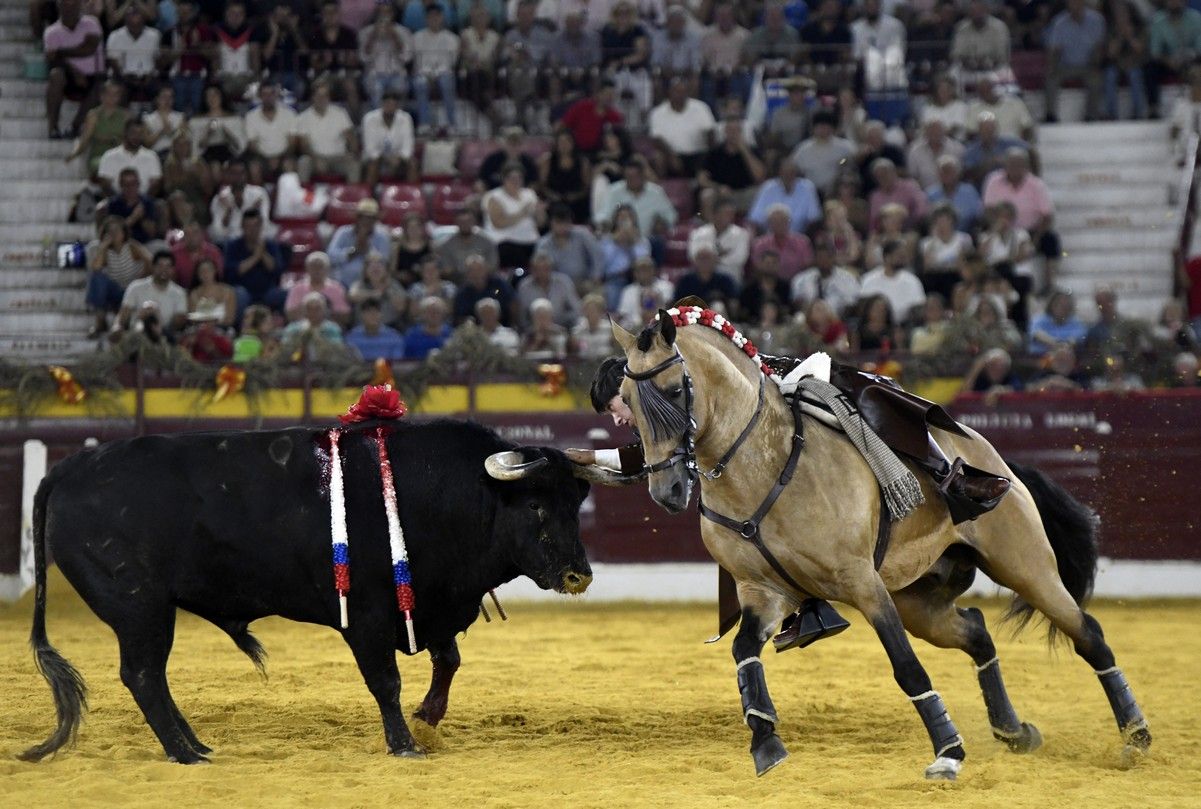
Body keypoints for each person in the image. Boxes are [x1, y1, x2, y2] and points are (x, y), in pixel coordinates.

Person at [982, 148, 1059, 293]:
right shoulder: (993, 181)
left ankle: (1050, 285)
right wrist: (997, 228)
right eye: (1011, 163)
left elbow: (1047, 215)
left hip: (1030, 231)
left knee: (1051, 240)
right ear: (1005, 164)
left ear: (1027, 166)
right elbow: (988, 209)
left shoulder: (1037, 185)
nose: (1015, 168)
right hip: (1000, 228)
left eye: (1019, 164)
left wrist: (1034, 240)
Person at [44, 0, 104, 139]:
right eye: (66, 4)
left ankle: (75, 126)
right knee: (55, 75)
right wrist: (74, 71)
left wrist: (59, 52)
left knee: (102, 87)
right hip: (69, 77)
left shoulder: (91, 23)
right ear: (59, 6)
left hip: (94, 76)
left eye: (74, 4)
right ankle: (52, 127)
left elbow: (89, 48)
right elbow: (51, 60)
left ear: (80, 5)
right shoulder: (51, 31)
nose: (70, 7)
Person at [86, 215, 151, 336]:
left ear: (123, 232)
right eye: (110, 231)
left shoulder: (132, 246)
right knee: (97, 277)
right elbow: (95, 268)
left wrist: (140, 279)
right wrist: (103, 246)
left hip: (132, 291)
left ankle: (124, 320)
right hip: (116, 291)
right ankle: (100, 321)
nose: (114, 234)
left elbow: (150, 260)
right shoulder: (105, 251)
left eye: (117, 230)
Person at [1044, 0, 1106, 123]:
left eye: (1077, 2)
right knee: (1050, 79)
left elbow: (1100, 46)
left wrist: (1097, 64)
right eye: (1072, 3)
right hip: (1065, 66)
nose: (1075, 6)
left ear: (1083, 3)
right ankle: (1050, 115)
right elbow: (1054, 49)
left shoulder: (1096, 20)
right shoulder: (1059, 22)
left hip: (1088, 65)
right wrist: (1051, 66)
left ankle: (1091, 116)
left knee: (1096, 80)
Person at [698, 118, 766, 218]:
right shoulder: (714, 152)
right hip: (721, 192)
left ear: (741, 132)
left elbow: (760, 177)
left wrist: (744, 150)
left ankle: (752, 229)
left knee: (759, 193)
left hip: (745, 192)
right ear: (725, 132)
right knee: (706, 195)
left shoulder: (753, 150)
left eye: (736, 130)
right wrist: (717, 187)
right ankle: (712, 229)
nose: (733, 134)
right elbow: (702, 179)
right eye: (730, 130)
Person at [596, 159, 677, 242]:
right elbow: (602, 215)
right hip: (619, 241)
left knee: (658, 241)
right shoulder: (614, 191)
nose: (632, 180)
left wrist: (662, 222)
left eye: (635, 176)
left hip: (648, 240)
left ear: (643, 176)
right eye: (629, 177)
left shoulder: (656, 193)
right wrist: (605, 224)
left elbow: (672, 216)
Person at [648, 79, 716, 178]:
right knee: (658, 157)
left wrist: (711, 155)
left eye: (683, 92)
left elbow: (710, 132)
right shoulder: (657, 112)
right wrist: (671, 155)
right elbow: (656, 139)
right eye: (677, 91)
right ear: (669, 92)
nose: (680, 95)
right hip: (671, 155)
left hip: (698, 154)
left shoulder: (701, 107)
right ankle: (661, 188)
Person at [1146, 0, 1201, 119]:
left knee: (1198, 69)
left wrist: (1189, 58)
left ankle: (1197, 110)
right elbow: (1155, 52)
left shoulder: (1196, 18)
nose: (1175, 3)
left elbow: (1199, 47)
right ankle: (1153, 108)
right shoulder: (1158, 20)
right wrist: (1169, 61)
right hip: (1168, 63)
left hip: (1191, 61)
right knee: (1150, 68)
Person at [223, 209, 286, 312]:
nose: (252, 230)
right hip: (243, 289)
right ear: (242, 227)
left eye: (256, 226)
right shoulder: (233, 245)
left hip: (267, 289)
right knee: (239, 294)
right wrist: (255, 257)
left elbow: (276, 270)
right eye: (248, 226)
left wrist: (263, 252)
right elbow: (232, 272)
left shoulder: (270, 245)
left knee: (282, 294)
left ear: (261, 226)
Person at [115, 249, 188, 338]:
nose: (164, 270)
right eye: (160, 266)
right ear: (153, 267)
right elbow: (123, 314)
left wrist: (158, 319)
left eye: (168, 266)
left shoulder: (179, 293)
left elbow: (178, 323)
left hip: (164, 336)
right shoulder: (136, 287)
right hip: (137, 334)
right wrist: (117, 327)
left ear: (173, 269)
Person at [296, 81, 359, 184]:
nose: (322, 99)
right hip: (315, 157)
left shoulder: (340, 113)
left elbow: (351, 137)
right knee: (303, 162)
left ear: (329, 98)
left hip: (338, 157)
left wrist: (352, 153)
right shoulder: (303, 117)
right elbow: (304, 146)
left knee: (353, 163)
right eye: (319, 96)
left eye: (325, 96)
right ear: (313, 97)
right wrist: (316, 159)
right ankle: (304, 197)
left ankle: (351, 197)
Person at [482, 164, 543, 269]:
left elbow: (541, 223)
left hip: (530, 241)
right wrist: (522, 213)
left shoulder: (529, 194)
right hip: (506, 243)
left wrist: (539, 213)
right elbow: (498, 223)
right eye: (512, 178)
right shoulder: (494, 197)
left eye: (519, 178)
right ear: (504, 179)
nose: (516, 181)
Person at [411, 3, 459, 131]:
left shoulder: (451, 38)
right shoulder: (417, 37)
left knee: (446, 82)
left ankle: (451, 123)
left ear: (442, 17)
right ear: (426, 18)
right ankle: (424, 124)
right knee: (420, 83)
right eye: (430, 17)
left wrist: (436, 74)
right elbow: (418, 61)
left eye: (437, 16)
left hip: (444, 72)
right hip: (423, 72)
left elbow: (450, 62)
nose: (434, 20)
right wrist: (428, 74)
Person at [536, 202, 605, 289]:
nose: (562, 227)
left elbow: (597, 255)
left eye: (565, 222)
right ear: (551, 223)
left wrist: (596, 276)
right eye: (558, 223)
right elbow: (541, 268)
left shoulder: (583, 234)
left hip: (585, 281)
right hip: (557, 286)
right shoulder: (543, 244)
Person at [358, 0, 412, 110]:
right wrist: (372, 37)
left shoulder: (403, 32)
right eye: (381, 13)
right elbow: (363, 58)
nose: (384, 16)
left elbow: (407, 58)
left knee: (400, 87)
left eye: (387, 13)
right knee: (377, 88)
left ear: (392, 14)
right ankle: (379, 121)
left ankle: (397, 121)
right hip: (374, 74)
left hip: (397, 73)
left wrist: (395, 37)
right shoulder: (366, 32)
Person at [65, 80, 128, 174]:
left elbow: (128, 139)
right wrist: (74, 154)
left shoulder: (126, 116)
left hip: (121, 155)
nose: (112, 98)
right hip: (99, 155)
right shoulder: (93, 115)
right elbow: (85, 139)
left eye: (116, 94)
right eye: (108, 94)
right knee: (103, 165)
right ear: (102, 96)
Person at [789, 109, 855, 197]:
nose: (823, 130)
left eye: (827, 126)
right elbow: (793, 167)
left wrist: (842, 162)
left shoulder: (844, 146)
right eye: (820, 126)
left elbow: (851, 159)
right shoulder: (803, 149)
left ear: (833, 128)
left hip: (836, 193)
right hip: (811, 193)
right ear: (813, 128)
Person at [747, 159, 822, 236]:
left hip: (799, 237)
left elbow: (814, 218)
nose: (788, 175)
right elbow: (755, 218)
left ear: (796, 173)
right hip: (770, 237)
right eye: (785, 172)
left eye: (792, 172)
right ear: (779, 173)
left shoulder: (807, 187)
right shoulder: (768, 187)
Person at [328, 198, 392, 286]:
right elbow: (330, 255)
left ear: (375, 220)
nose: (366, 221)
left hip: (370, 284)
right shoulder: (343, 232)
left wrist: (368, 250)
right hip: (341, 282)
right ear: (357, 218)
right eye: (363, 217)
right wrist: (352, 252)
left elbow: (384, 261)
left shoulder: (382, 237)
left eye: (371, 218)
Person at [860, 239, 926, 324]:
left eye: (903, 256)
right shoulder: (869, 279)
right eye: (899, 255)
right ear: (887, 257)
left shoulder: (912, 280)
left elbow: (919, 306)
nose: (903, 259)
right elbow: (863, 306)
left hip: (904, 325)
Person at [790, 239, 860, 318]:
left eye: (827, 257)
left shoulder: (848, 279)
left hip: (838, 319)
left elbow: (852, 305)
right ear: (815, 258)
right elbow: (797, 303)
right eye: (820, 257)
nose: (824, 260)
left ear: (833, 257)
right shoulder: (801, 279)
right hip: (808, 319)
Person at [1103, 0, 1148, 121]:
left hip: (1134, 64)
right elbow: (1111, 53)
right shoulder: (1111, 29)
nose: (1121, 16)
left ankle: (1138, 113)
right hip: (1116, 64)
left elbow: (1140, 49)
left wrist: (1129, 36)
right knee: (1109, 75)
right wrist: (1119, 36)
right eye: (1118, 13)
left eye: (1123, 13)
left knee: (1135, 75)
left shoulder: (1139, 27)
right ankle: (1111, 114)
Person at [208, 159, 271, 244]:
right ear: (227, 175)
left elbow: (264, 225)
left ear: (246, 174)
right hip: (229, 245)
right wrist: (229, 210)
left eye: (242, 173)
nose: (238, 177)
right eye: (234, 173)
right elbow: (218, 233)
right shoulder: (220, 199)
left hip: (255, 242)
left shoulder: (259, 194)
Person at [688, 198, 751, 283]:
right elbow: (693, 256)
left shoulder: (741, 234)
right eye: (726, 214)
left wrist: (710, 257)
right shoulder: (698, 233)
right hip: (702, 279)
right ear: (714, 214)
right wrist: (722, 255)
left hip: (731, 279)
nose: (730, 217)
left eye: (731, 214)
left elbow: (739, 258)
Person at [189, 84, 246, 177]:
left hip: (228, 151)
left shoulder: (235, 119)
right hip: (208, 153)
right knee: (214, 167)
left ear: (221, 97)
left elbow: (240, 146)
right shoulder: (196, 121)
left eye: (215, 95)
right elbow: (196, 147)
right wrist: (207, 133)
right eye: (209, 96)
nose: (212, 99)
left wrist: (227, 134)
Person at [361, 89, 415, 187]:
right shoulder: (370, 119)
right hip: (377, 160)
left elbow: (408, 147)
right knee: (373, 164)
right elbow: (370, 149)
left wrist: (399, 158)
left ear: (397, 106)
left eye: (392, 105)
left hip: (398, 159)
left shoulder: (405, 118)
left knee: (412, 164)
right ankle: (370, 198)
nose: (389, 108)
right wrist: (386, 159)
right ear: (382, 104)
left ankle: (411, 196)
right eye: (387, 104)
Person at [106, 7, 160, 103]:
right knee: (119, 89)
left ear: (144, 18)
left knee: (160, 90)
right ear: (125, 18)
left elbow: (157, 60)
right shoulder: (115, 35)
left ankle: (153, 117)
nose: (134, 18)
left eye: (137, 14)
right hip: (122, 77)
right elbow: (113, 62)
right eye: (131, 15)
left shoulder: (155, 35)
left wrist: (149, 75)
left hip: (148, 77)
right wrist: (125, 77)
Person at [98, 168, 163, 247]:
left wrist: (142, 218)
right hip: (120, 245)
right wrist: (133, 218)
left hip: (144, 244)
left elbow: (152, 232)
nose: (130, 188)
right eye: (126, 185)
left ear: (138, 184)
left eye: (133, 184)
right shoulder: (114, 204)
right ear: (121, 185)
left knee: (160, 245)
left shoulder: (147, 202)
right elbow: (113, 232)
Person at [919, 205, 973, 300]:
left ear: (952, 221)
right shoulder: (926, 243)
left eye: (945, 220)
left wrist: (944, 266)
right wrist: (934, 239)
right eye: (938, 221)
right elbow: (927, 267)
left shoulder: (964, 239)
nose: (941, 224)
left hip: (955, 277)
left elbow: (963, 265)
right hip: (935, 279)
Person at [97, 119, 161, 197]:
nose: (137, 137)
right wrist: (121, 203)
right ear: (125, 133)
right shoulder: (109, 156)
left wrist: (141, 203)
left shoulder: (151, 156)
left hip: (145, 202)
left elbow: (155, 185)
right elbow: (105, 185)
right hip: (115, 202)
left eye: (140, 133)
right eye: (133, 133)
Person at [285, 252, 351, 327]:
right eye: (313, 266)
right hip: (302, 328)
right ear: (307, 268)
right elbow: (290, 314)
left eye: (320, 266)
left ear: (327, 269)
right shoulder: (297, 288)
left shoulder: (337, 288)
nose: (316, 270)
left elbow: (345, 316)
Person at [516, 252, 581, 329]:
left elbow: (576, 309)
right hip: (535, 330)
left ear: (551, 268)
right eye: (537, 269)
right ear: (532, 269)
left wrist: (561, 321)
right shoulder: (524, 286)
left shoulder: (564, 282)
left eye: (545, 268)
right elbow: (522, 316)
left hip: (563, 327)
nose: (541, 272)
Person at [750, 204, 813, 282]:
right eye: (775, 221)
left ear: (789, 222)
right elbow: (757, 267)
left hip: (797, 284)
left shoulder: (803, 242)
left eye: (782, 221)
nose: (779, 224)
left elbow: (807, 266)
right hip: (769, 284)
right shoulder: (759, 244)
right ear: (769, 224)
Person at [452, 253, 517, 325]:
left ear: (486, 269)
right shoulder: (462, 293)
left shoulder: (499, 284)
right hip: (476, 330)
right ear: (467, 273)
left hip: (502, 326)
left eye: (479, 269)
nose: (476, 274)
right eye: (472, 270)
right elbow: (460, 317)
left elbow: (513, 303)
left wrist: (514, 324)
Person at [561, 81, 624, 154]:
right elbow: (564, 125)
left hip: (601, 153)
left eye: (612, 95)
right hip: (577, 151)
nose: (610, 97)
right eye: (607, 94)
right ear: (599, 94)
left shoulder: (615, 116)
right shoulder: (581, 107)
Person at [925, 155, 983, 233]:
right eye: (943, 171)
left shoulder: (969, 191)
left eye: (949, 171)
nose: (946, 174)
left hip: (966, 233)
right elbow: (928, 220)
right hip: (938, 235)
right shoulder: (931, 194)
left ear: (957, 173)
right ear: (938, 174)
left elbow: (978, 214)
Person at [436, 208, 498, 279]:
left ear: (474, 221)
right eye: (461, 222)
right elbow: (447, 269)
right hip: (459, 283)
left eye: (468, 221)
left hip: (485, 281)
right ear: (456, 223)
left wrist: (477, 271)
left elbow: (493, 265)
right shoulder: (447, 246)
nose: (465, 224)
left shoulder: (487, 242)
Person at [867, 158, 927, 232]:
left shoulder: (910, 186)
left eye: (885, 173)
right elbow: (873, 221)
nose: (883, 178)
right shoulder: (875, 196)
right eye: (879, 176)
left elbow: (922, 209)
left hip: (910, 228)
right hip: (885, 233)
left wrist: (909, 224)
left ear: (894, 172)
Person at [616, 256, 675, 330]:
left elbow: (668, 308)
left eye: (647, 269)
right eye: (640, 270)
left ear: (654, 270)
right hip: (634, 327)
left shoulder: (666, 286)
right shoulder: (628, 291)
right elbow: (622, 314)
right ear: (635, 273)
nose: (644, 273)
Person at [350, 253, 408, 327]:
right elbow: (352, 295)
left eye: (379, 265)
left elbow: (401, 307)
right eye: (371, 266)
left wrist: (388, 290)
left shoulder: (393, 284)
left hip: (390, 327)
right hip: (362, 327)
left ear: (386, 270)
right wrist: (376, 294)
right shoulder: (359, 284)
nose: (376, 268)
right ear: (365, 271)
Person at [674, 243, 739, 308]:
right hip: (691, 314)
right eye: (701, 259)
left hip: (717, 314)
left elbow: (733, 301)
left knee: (718, 306)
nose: (705, 262)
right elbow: (677, 303)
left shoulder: (725, 279)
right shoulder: (685, 280)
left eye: (708, 258)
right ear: (695, 261)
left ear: (715, 260)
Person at [479, 126, 539, 192]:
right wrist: (486, 196)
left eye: (517, 143)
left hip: (521, 198)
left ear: (523, 144)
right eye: (510, 143)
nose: (514, 146)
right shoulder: (491, 160)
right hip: (494, 197)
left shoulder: (529, 162)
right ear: (503, 143)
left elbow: (534, 184)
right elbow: (480, 182)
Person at [1028, 290, 1087, 356]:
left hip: (1068, 359)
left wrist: (1066, 345)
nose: (1061, 308)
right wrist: (1057, 344)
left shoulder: (1076, 321)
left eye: (1065, 306)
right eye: (1058, 304)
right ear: (1051, 304)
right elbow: (1036, 333)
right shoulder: (1039, 319)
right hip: (1040, 357)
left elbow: (1078, 337)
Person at [187, 256, 236, 328]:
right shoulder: (194, 294)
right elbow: (192, 320)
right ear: (197, 274)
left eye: (208, 270)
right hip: (200, 330)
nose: (205, 274)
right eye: (202, 271)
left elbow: (230, 319)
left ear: (215, 271)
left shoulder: (228, 291)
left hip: (223, 330)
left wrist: (213, 324)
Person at [171, 220, 223, 288]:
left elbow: (219, 276)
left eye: (195, 233)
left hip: (209, 289)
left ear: (202, 234)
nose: (191, 237)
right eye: (187, 234)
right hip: (181, 290)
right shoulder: (175, 252)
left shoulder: (213, 252)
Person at [408, 255, 457, 319]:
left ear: (439, 271)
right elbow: (413, 312)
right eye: (427, 270)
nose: (430, 272)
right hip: (421, 324)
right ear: (421, 272)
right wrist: (427, 294)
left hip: (444, 324)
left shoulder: (449, 287)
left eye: (434, 269)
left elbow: (450, 310)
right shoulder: (415, 288)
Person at [920, 75, 968, 140]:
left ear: (952, 90)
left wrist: (936, 135)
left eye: (946, 89)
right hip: (931, 143)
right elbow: (924, 128)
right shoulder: (928, 108)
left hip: (954, 141)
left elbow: (955, 129)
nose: (943, 91)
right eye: (941, 88)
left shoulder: (960, 106)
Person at [142, 85, 186, 157]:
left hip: (175, 155)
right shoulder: (148, 118)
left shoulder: (180, 117)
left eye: (170, 97)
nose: (167, 100)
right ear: (157, 99)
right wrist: (161, 132)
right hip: (156, 154)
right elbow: (146, 144)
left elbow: (184, 140)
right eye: (164, 97)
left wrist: (172, 133)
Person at [573, 292, 618, 359]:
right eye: (587, 310)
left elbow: (616, 351)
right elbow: (576, 351)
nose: (589, 313)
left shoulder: (610, 329)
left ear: (600, 312)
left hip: (604, 363)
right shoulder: (578, 330)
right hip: (584, 364)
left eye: (593, 310)